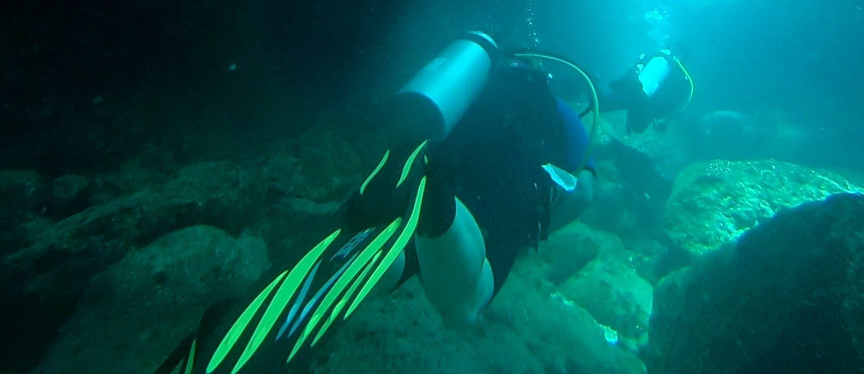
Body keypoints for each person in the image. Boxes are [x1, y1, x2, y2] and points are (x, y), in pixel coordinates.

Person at [159, 33, 641, 374]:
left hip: (448, 138)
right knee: (465, 305)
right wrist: (540, 223)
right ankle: (435, 202)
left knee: (380, 256)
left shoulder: (484, 82)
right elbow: (585, 195)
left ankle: (410, 193)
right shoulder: (569, 122)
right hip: (493, 191)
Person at [601, 48, 694, 134]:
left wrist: (624, 82)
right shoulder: (679, 75)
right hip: (646, 101)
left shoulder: (657, 55)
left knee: (602, 104)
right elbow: (675, 104)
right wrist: (663, 117)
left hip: (635, 90)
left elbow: (635, 68)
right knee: (636, 128)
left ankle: (591, 84)